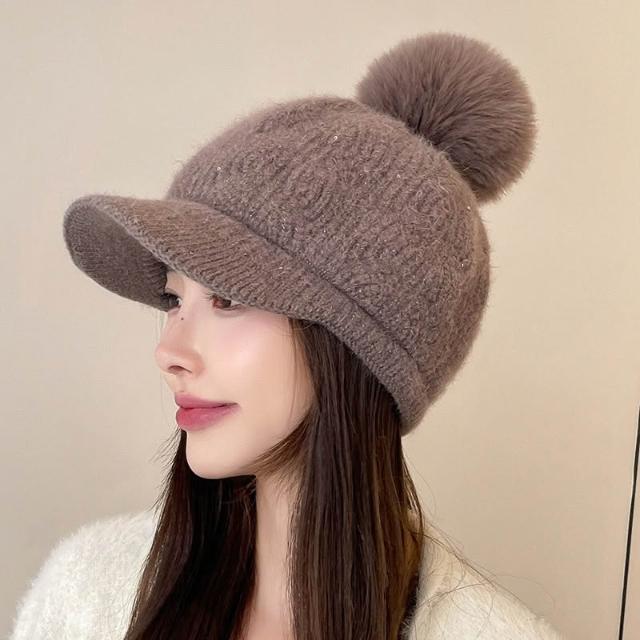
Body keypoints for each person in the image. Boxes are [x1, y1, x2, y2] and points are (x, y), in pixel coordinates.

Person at [9, 31, 565, 639]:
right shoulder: (87, 592)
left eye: (227, 298)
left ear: (355, 347)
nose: (169, 353)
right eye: (174, 299)